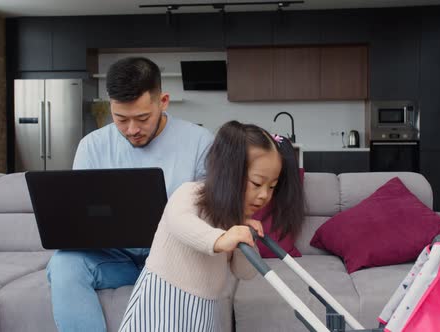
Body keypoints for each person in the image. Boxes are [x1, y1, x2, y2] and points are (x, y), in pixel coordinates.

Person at [46, 57, 214, 332]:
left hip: (174, 259)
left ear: (163, 102)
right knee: (64, 263)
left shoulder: (200, 141)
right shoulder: (92, 146)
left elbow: (210, 212)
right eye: (121, 119)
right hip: (115, 259)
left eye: (142, 118)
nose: (132, 130)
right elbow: (79, 215)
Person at [118, 121, 304, 332]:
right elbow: (181, 222)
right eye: (257, 183)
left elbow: (245, 272)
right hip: (163, 296)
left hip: (203, 305)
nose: (264, 195)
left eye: (271, 187)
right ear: (229, 173)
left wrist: (245, 238)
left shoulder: (233, 220)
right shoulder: (191, 193)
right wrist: (221, 239)